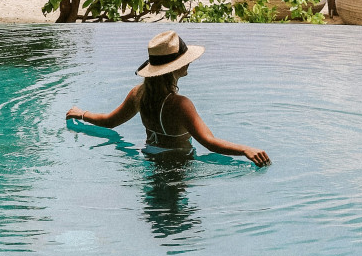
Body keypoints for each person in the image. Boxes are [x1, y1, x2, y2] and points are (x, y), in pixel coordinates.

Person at [66, 31, 271, 167]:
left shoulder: (138, 94)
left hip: (149, 159)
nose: (189, 63)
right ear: (174, 68)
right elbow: (209, 142)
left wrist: (82, 114)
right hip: (178, 167)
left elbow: (109, 121)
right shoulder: (181, 104)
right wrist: (246, 149)